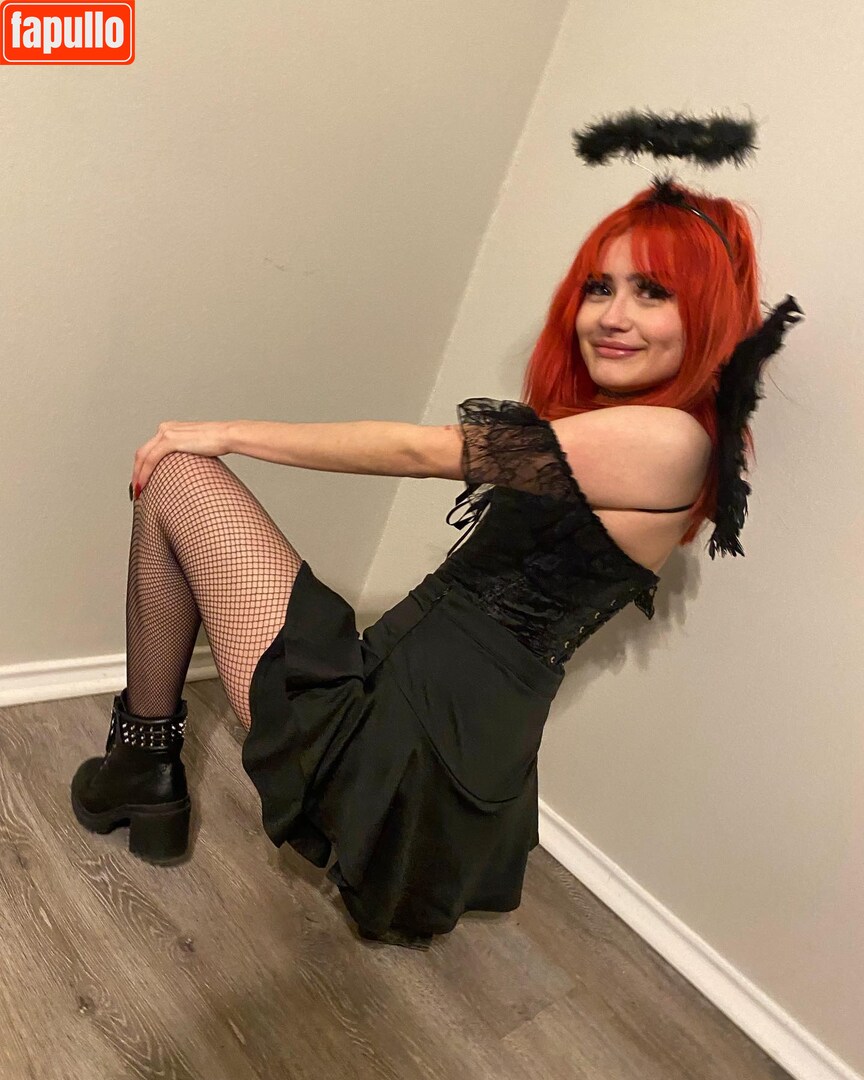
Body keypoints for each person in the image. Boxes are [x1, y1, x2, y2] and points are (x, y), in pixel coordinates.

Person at [70, 179, 801, 950]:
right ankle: (144, 770)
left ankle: (142, 765)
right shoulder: (641, 430)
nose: (613, 315)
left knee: (177, 472)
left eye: (652, 292)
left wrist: (225, 431)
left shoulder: (669, 440)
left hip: (411, 732)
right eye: (600, 287)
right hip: (432, 707)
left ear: (706, 316)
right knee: (177, 480)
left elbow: (420, 452)